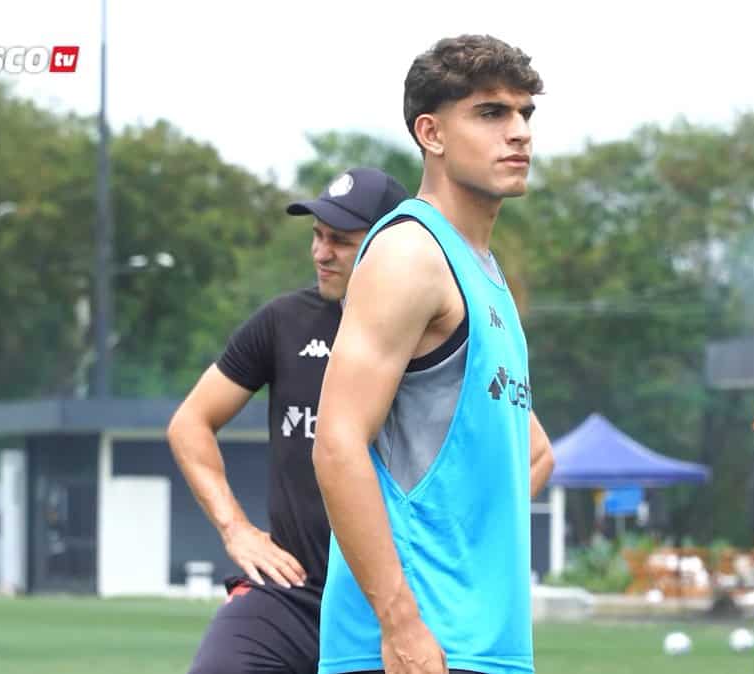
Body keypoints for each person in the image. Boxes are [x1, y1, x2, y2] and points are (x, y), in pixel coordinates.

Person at [312, 35, 555, 674]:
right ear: (432, 133)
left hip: (482, 645)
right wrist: (401, 620)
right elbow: (337, 444)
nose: (519, 133)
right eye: (491, 113)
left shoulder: (485, 272)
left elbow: (534, 454)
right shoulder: (410, 253)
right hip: (414, 649)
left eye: (526, 114)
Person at [168, 167, 409, 674]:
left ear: (388, 245)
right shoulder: (284, 322)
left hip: (394, 605)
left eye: (340, 241)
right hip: (293, 593)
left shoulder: (433, 329)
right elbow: (190, 423)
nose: (321, 253)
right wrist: (236, 529)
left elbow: (533, 454)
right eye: (317, 237)